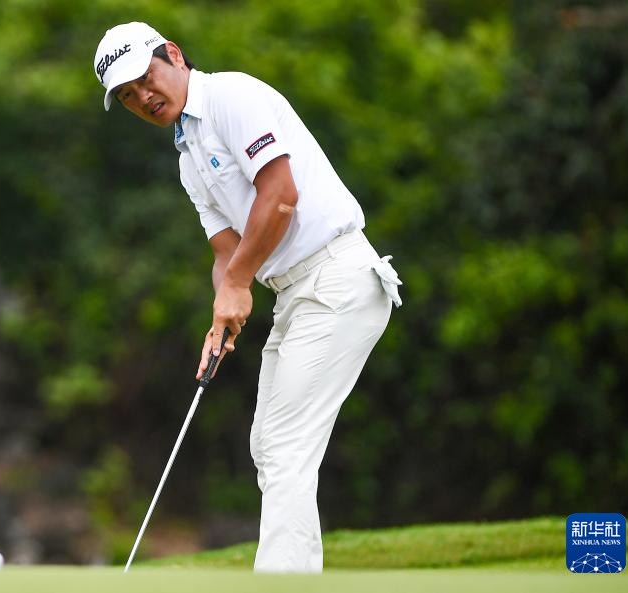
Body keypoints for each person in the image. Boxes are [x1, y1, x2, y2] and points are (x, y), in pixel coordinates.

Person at [93, 22, 402, 573]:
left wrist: (238, 284)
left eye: (146, 78)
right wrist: (221, 315)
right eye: (128, 95)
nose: (143, 97)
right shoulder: (188, 156)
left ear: (174, 55)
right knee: (269, 446)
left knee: (284, 448)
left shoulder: (231, 96)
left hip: (337, 276)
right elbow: (226, 253)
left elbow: (280, 195)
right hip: (296, 293)